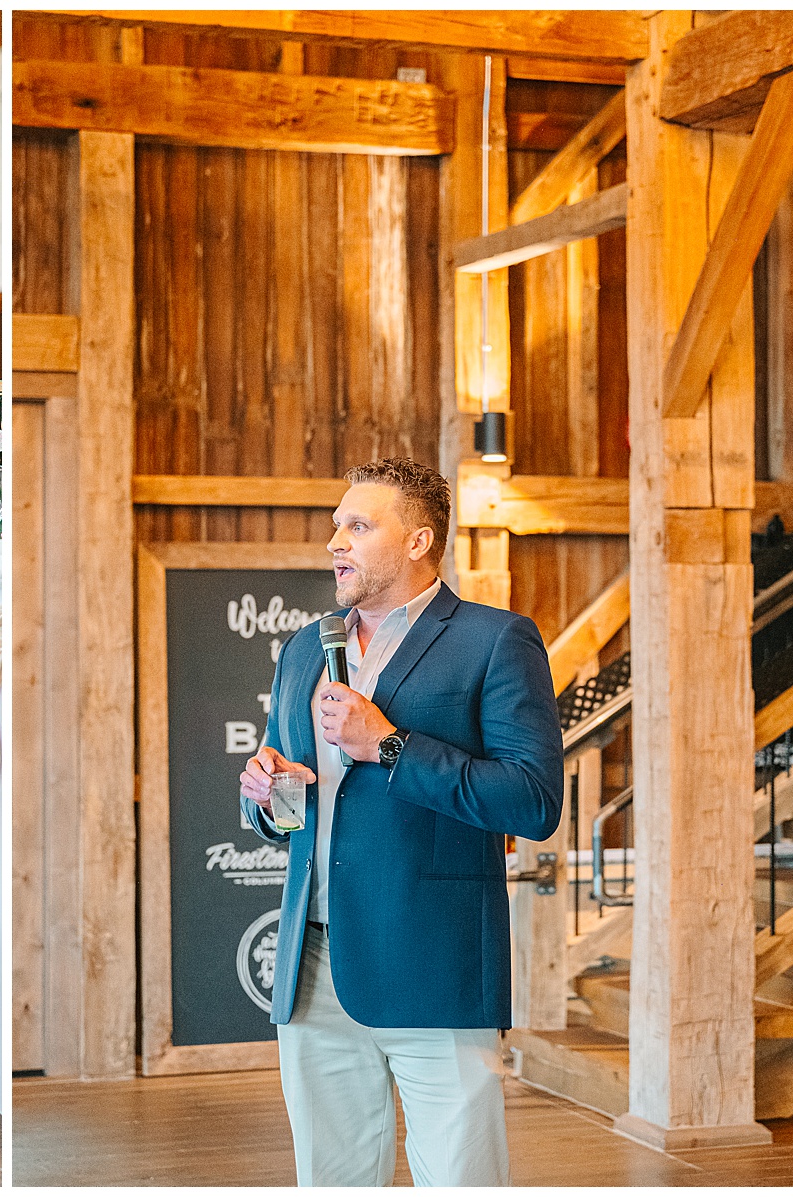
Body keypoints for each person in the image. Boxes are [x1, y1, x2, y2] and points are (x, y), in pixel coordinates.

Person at [238, 457, 563, 1186]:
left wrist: (389, 743)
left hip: (435, 967)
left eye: (358, 525)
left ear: (419, 541)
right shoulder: (302, 649)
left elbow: (533, 801)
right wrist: (266, 791)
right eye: (335, 526)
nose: (336, 542)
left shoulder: (495, 640)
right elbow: (288, 803)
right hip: (313, 969)